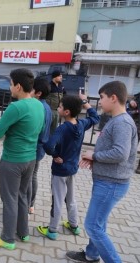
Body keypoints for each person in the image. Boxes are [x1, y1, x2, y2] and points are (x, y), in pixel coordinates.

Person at [66, 81, 138, 263]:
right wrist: (94, 161)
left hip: (111, 183)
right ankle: (92, 254)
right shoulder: (118, 120)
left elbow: (120, 153)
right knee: (99, 222)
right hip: (108, 180)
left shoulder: (122, 123)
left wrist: (95, 155)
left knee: (92, 226)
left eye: (102, 98)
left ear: (113, 98)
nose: (100, 102)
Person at [0, 68, 44, 250]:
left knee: (9, 199)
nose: (10, 87)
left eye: (11, 84)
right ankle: (23, 233)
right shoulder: (38, 105)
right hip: (30, 159)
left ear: (18, 86)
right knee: (21, 196)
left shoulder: (15, 107)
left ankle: (7, 239)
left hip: (13, 160)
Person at [37, 93, 100, 240]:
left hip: (60, 171)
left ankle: (52, 230)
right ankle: (74, 225)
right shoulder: (81, 124)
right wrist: (86, 103)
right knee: (71, 199)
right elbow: (96, 118)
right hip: (72, 168)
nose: (58, 108)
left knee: (57, 200)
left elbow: (48, 145)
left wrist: (54, 155)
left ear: (66, 112)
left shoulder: (62, 129)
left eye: (59, 106)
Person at [27, 78, 52, 214]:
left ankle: (29, 204)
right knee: (33, 176)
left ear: (38, 93)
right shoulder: (46, 106)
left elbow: (40, 131)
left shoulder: (39, 107)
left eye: (31, 89)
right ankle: (30, 204)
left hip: (35, 148)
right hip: (39, 148)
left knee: (31, 177)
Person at [46, 70, 66, 135]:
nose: (61, 78)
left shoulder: (61, 85)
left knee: (54, 129)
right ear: (55, 77)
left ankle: (51, 143)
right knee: (46, 128)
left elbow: (65, 94)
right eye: (60, 76)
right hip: (49, 110)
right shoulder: (49, 85)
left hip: (57, 111)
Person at [126, 95, 140, 174]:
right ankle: (126, 165)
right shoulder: (138, 95)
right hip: (137, 125)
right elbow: (129, 98)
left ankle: (139, 167)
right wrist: (130, 101)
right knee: (131, 146)